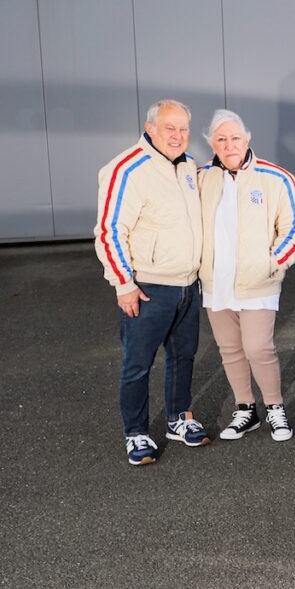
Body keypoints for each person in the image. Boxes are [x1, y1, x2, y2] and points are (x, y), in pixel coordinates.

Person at [94, 99, 210, 466]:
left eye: (183, 129)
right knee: (137, 364)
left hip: (187, 287)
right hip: (148, 288)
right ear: (150, 129)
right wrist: (122, 284)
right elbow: (110, 231)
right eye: (169, 128)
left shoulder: (190, 166)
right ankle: (137, 433)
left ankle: (178, 419)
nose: (177, 136)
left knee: (183, 357)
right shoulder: (126, 169)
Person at [197, 109, 295, 442]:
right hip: (216, 282)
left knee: (258, 347)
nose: (229, 145)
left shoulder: (277, 178)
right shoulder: (201, 178)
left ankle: (274, 407)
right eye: (221, 139)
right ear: (212, 144)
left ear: (247, 139)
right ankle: (246, 409)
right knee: (230, 348)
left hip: (259, 280)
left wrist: (274, 263)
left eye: (234, 138)